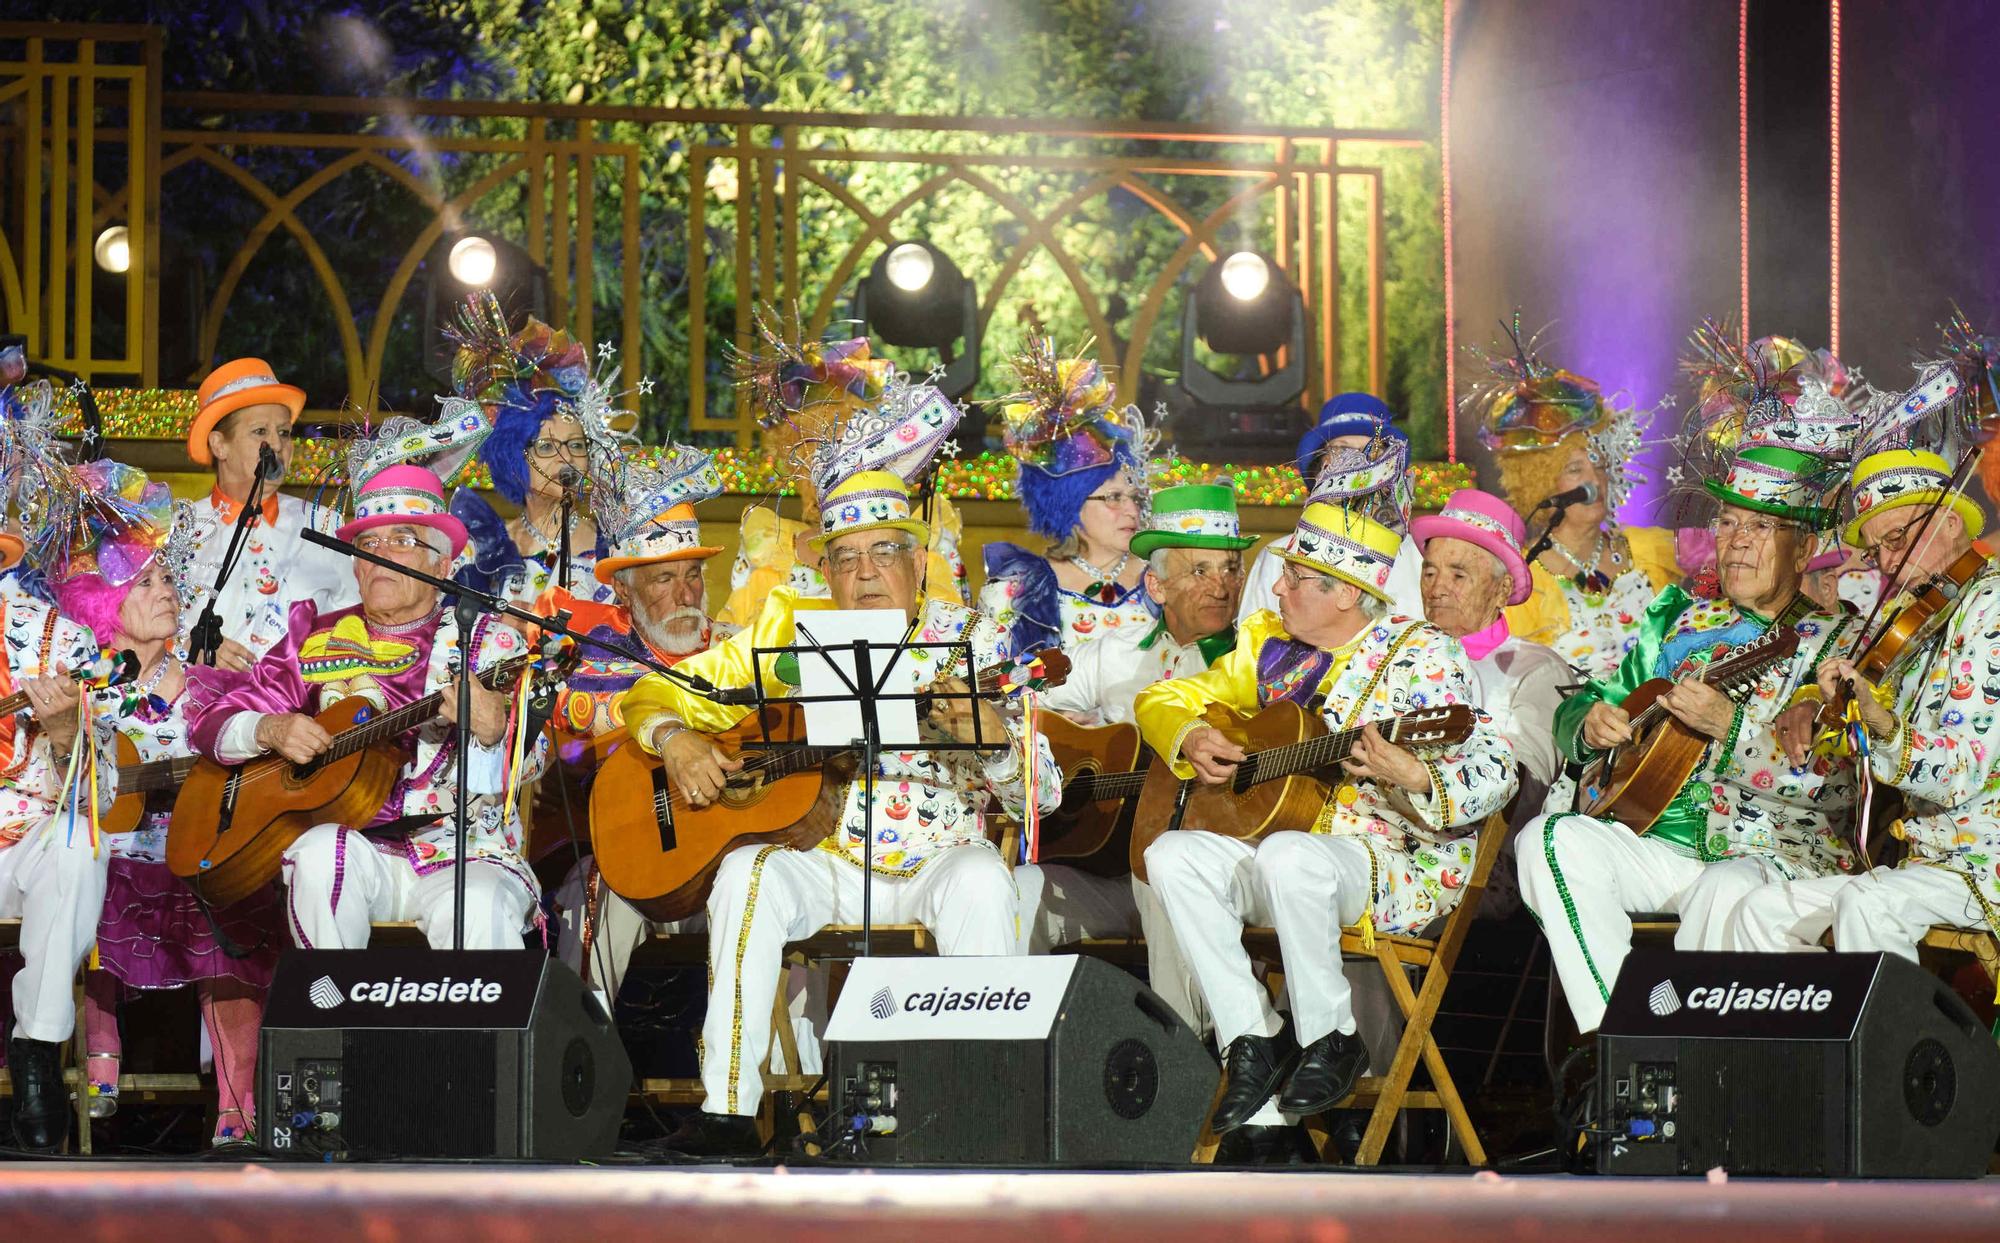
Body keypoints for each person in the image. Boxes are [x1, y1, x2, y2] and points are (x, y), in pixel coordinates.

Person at [618, 358, 1059, 1156]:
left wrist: (988, 734)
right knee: (747, 872)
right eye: (846, 558)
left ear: (918, 562)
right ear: (823, 569)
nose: (863, 574)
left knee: (988, 882)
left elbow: (1045, 793)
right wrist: (674, 737)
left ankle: (981, 1114)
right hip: (819, 851)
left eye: (883, 554)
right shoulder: (785, 629)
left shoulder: (972, 639)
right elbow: (656, 694)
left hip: (940, 860)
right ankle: (727, 1112)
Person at [1136, 495, 1516, 1154]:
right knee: (1171, 854)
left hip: (1388, 862)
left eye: (1294, 578)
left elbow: (1496, 766)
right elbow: (1162, 698)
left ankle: (1329, 1038)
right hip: (1294, 858)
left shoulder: (1423, 654)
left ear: (1344, 595)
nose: (1273, 585)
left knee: (1289, 855)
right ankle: (1253, 1034)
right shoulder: (1270, 649)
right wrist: (1193, 732)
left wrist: (1414, 773)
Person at [1515, 344, 1864, 1034]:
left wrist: (1731, 731)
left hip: (1774, 851)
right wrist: (1589, 725)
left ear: (1803, 545)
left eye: (1760, 526)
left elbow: (1839, 785)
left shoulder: (1841, 642)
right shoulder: (1675, 616)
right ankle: (1620, 1042)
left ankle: (1705, 1081)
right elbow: (1585, 703)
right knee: (1548, 840)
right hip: (1656, 838)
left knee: (1723, 890)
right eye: (1728, 522)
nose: (1736, 541)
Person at [190, 453, 547, 951]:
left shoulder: (490, 645)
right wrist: (270, 730)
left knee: (480, 904)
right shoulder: (314, 636)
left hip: (463, 853)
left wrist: (493, 732)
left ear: (442, 564)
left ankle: (475, 1031)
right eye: (369, 544)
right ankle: (332, 1021)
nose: (381, 554)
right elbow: (210, 722)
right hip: (358, 849)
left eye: (402, 541)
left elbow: (536, 761)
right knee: (315, 853)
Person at [45, 462, 278, 1145]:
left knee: (237, 888)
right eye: (144, 581)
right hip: (112, 852)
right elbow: (70, 782)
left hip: (193, 850)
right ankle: (101, 1058)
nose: (166, 590)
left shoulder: (214, 684)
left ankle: (240, 1102)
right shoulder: (83, 688)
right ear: (105, 604)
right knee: (86, 871)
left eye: (168, 578)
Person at [1013, 483, 1259, 1035]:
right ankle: (1015, 1068)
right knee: (1017, 893)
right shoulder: (1114, 653)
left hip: (1215, 874)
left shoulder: (1259, 664)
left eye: (1230, 569)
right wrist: (1052, 741)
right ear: (1155, 583)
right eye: (1199, 571)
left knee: (1163, 865)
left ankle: (1188, 1068)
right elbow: (1019, 701)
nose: (1220, 586)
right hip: (1109, 871)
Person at [1737, 445, 2000, 955]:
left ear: (1949, 521)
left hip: (1983, 861)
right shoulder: (1921, 618)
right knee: (1759, 910)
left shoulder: (1991, 609)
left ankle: (1888, 1039)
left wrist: (1879, 721)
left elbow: (1960, 772)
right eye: (1879, 549)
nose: (1889, 563)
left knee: (1869, 903)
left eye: (1899, 537)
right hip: (1928, 864)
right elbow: (1854, 698)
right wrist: (1816, 701)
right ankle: (1786, 1035)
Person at [546, 447, 740, 996]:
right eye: (662, 580)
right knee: (595, 907)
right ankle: (577, 1062)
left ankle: (774, 1077)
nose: (685, 594)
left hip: (729, 857)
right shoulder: (591, 657)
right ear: (625, 593)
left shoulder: (735, 650)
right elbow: (583, 717)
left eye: (694, 575)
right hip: (624, 858)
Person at [0, 389, 118, 1151]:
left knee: (79, 843)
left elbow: (101, 784)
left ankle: (37, 1060)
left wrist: (69, 728)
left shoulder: (55, 635)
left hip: (24, 838)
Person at [1466, 328, 1679, 682]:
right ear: (1541, 483)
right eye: (1574, 469)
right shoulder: (1522, 578)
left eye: (1599, 465)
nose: (1593, 482)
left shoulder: (1649, 552)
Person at [443, 297, 631, 606]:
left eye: (576, 445)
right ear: (512, 458)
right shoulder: (485, 550)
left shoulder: (614, 551)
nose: (566, 458)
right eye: (545, 446)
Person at [981, 338, 1155, 657]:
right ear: (1068, 504)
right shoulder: (1018, 590)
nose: (1132, 510)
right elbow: (997, 692)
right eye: (1114, 497)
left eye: (1136, 498)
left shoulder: (1162, 582)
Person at [182, 356, 357, 667]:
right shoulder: (180, 529)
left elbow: (355, 622)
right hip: (200, 708)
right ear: (219, 445)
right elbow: (142, 632)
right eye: (260, 431)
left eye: (285, 433)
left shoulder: (325, 524)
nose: (277, 444)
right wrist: (191, 648)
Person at [1413, 489, 1568, 825]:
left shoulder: (1536, 669)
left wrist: (1426, 782)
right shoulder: (1398, 653)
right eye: (1429, 573)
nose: (1437, 588)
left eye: (1458, 575)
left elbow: (1524, 791)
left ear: (1502, 589)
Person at [1237, 393, 1424, 623]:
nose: (1360, 466)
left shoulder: (1422, 561)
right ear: (1318, 468)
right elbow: (1251, 650)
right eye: (1342, 451)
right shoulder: (1278, 558)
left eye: (1374, 452)